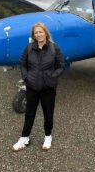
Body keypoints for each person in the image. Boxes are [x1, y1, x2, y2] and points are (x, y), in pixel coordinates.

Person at [13, 23, 65, 151]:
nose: (38, 34)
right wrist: (26, 78)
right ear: (33, 35)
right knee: (29, 113)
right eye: (36, 33)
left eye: (40, 32)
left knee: (48, 113)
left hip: (48, 87)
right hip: (32, 87)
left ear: (45, 33)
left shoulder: (54, 48)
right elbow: (23, 64)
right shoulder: (29, 48)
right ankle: (24, 137)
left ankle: (48, 136)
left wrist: (52, 77)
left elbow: (61, 66)